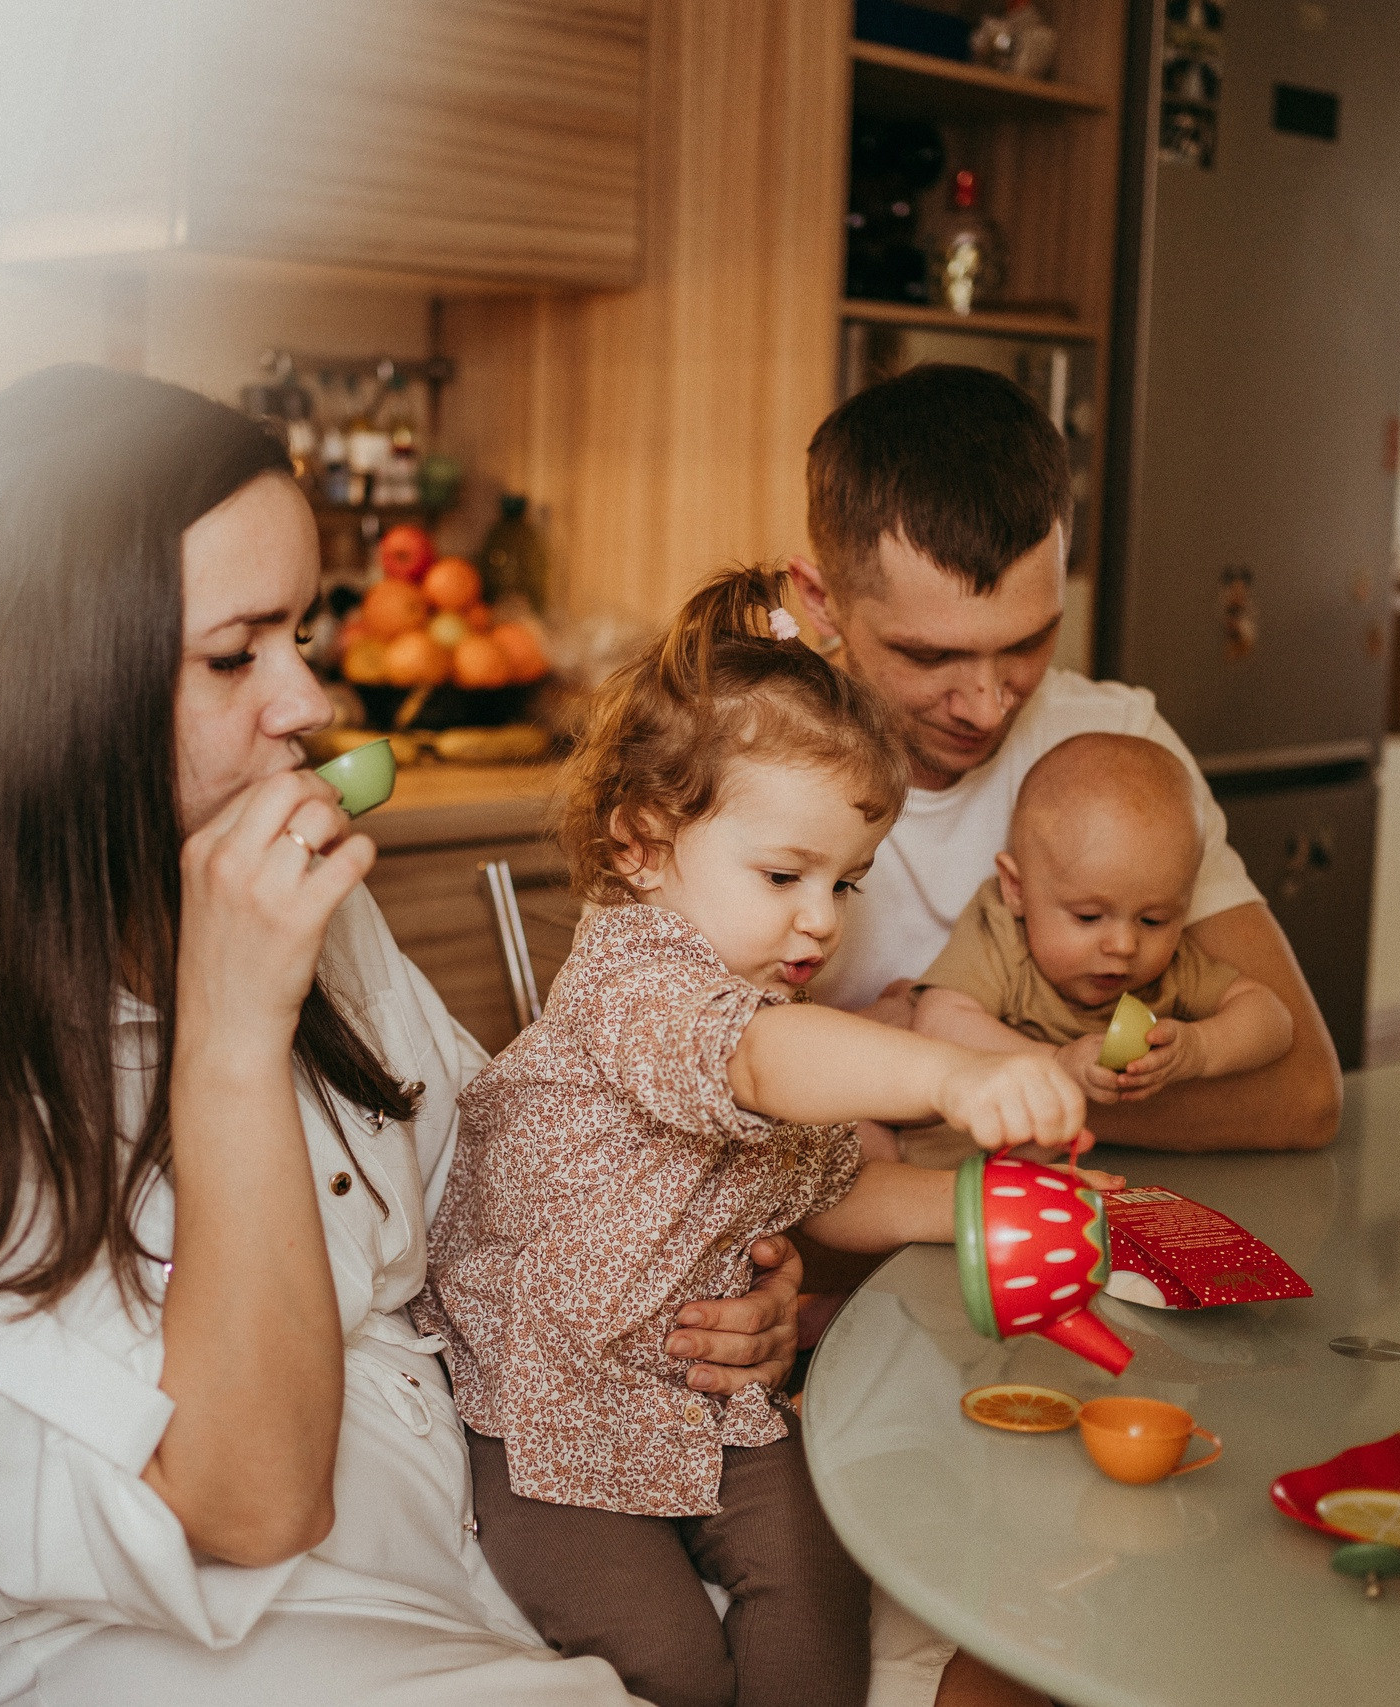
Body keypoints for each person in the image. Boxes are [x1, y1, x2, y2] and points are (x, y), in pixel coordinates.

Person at [0, 367, 810, 1706]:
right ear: (52, 694)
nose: (308, 700)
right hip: (198, 1657)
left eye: (301, 633)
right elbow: (250, 1504)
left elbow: (507, 1183)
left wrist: (693, 1272)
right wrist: (233, 1036)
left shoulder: (306, 908)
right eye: (234, 653)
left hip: (471, 1563)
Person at [413, 568, 1098, 1707]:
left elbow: (830, 1191)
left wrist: (998, 1207)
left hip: (704, 1392)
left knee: (823, 1571)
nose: (821, 919)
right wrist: (953, 1074)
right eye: (784, 875)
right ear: (640, 842)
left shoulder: (765, 1006)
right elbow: (758, 1062)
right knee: (672, 1661)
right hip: (546, 1405)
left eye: (846, 882)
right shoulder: (635, 979)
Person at [785, 363, 1342, 1153]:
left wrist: (983, 1081)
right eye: (931, 655)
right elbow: (685, 1095)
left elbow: (1304, 1095)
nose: (986, 705)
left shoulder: (1121, 748)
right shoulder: (741, 765)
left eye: (1028, 642)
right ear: (820, 602)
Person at [910, 731, 1294, 1102]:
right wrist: (1056, 1063)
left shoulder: (1173, 970)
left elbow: (1273, 1019)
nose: (1124, 946)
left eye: (1153, 920)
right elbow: (937, 1022)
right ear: (1016, 890)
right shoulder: (1003, 936)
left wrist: (1200, 1049)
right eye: (1089, 916)